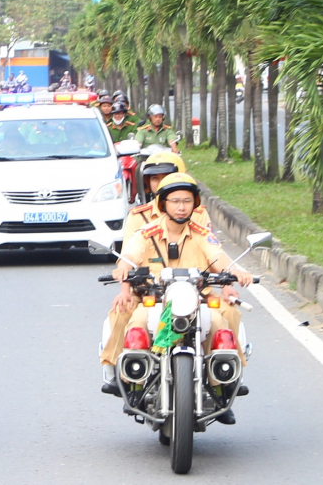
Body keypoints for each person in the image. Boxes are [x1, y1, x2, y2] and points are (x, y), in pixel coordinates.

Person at [100, 174, 251, 423]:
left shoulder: (202, 233)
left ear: (195, 204)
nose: (181, 207)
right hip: (154, 301)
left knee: (223, 322)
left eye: (187, 201)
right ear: (163, 204)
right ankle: (131, 381)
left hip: (196, 301)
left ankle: (224, 382)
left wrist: (234, 271)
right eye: (175, 201)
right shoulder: (145, 233)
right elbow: (129, 255)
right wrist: (123, 272)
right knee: (134, 323)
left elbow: (218, 256)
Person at [123, 152, 211, 241]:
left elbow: (211, 249)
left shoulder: (198, 214)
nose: (161, 183)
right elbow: (128, 253)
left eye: (167, 177)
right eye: (155, 178)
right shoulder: (138, 217)